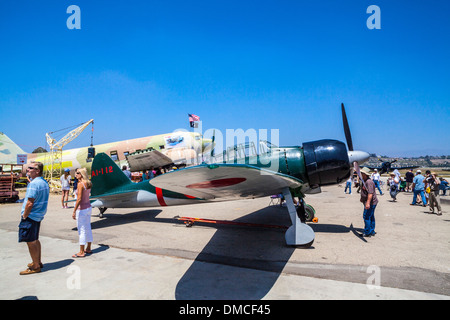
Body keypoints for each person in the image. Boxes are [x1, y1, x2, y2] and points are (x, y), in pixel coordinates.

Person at [18, 162, 49, 275]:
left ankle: (35, 266)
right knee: (35, 239)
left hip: (31, 216)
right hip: (38, 215)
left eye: (31, 168)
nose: (28, 170)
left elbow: (30, 203)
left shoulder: (34, 184)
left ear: (38, 171)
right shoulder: (44, 182)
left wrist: (25, 215)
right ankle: (38, 261)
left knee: (30, 242)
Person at [72, 168, 93, 257]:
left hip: (82, 209)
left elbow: (79, 199)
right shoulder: (88, 183)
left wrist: (74, 211)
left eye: (77, 173)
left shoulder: (80, 184)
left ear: (81, 174)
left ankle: (81, 251)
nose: (75, 175)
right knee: (88, 227)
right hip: (88, 207)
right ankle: (88, 247)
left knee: (81, 230)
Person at [359, 167, 378, 237]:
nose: (360, 174)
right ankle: (371, 231)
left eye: (361, 173)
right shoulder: (365, 181)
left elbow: (370, 193)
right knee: (371, 216)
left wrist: (367, 203)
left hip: (371, 203)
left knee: (366, 216)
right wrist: (362, 198)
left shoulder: (368, 182)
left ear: (364, 174)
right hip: (369, 202)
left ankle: (367, 232)